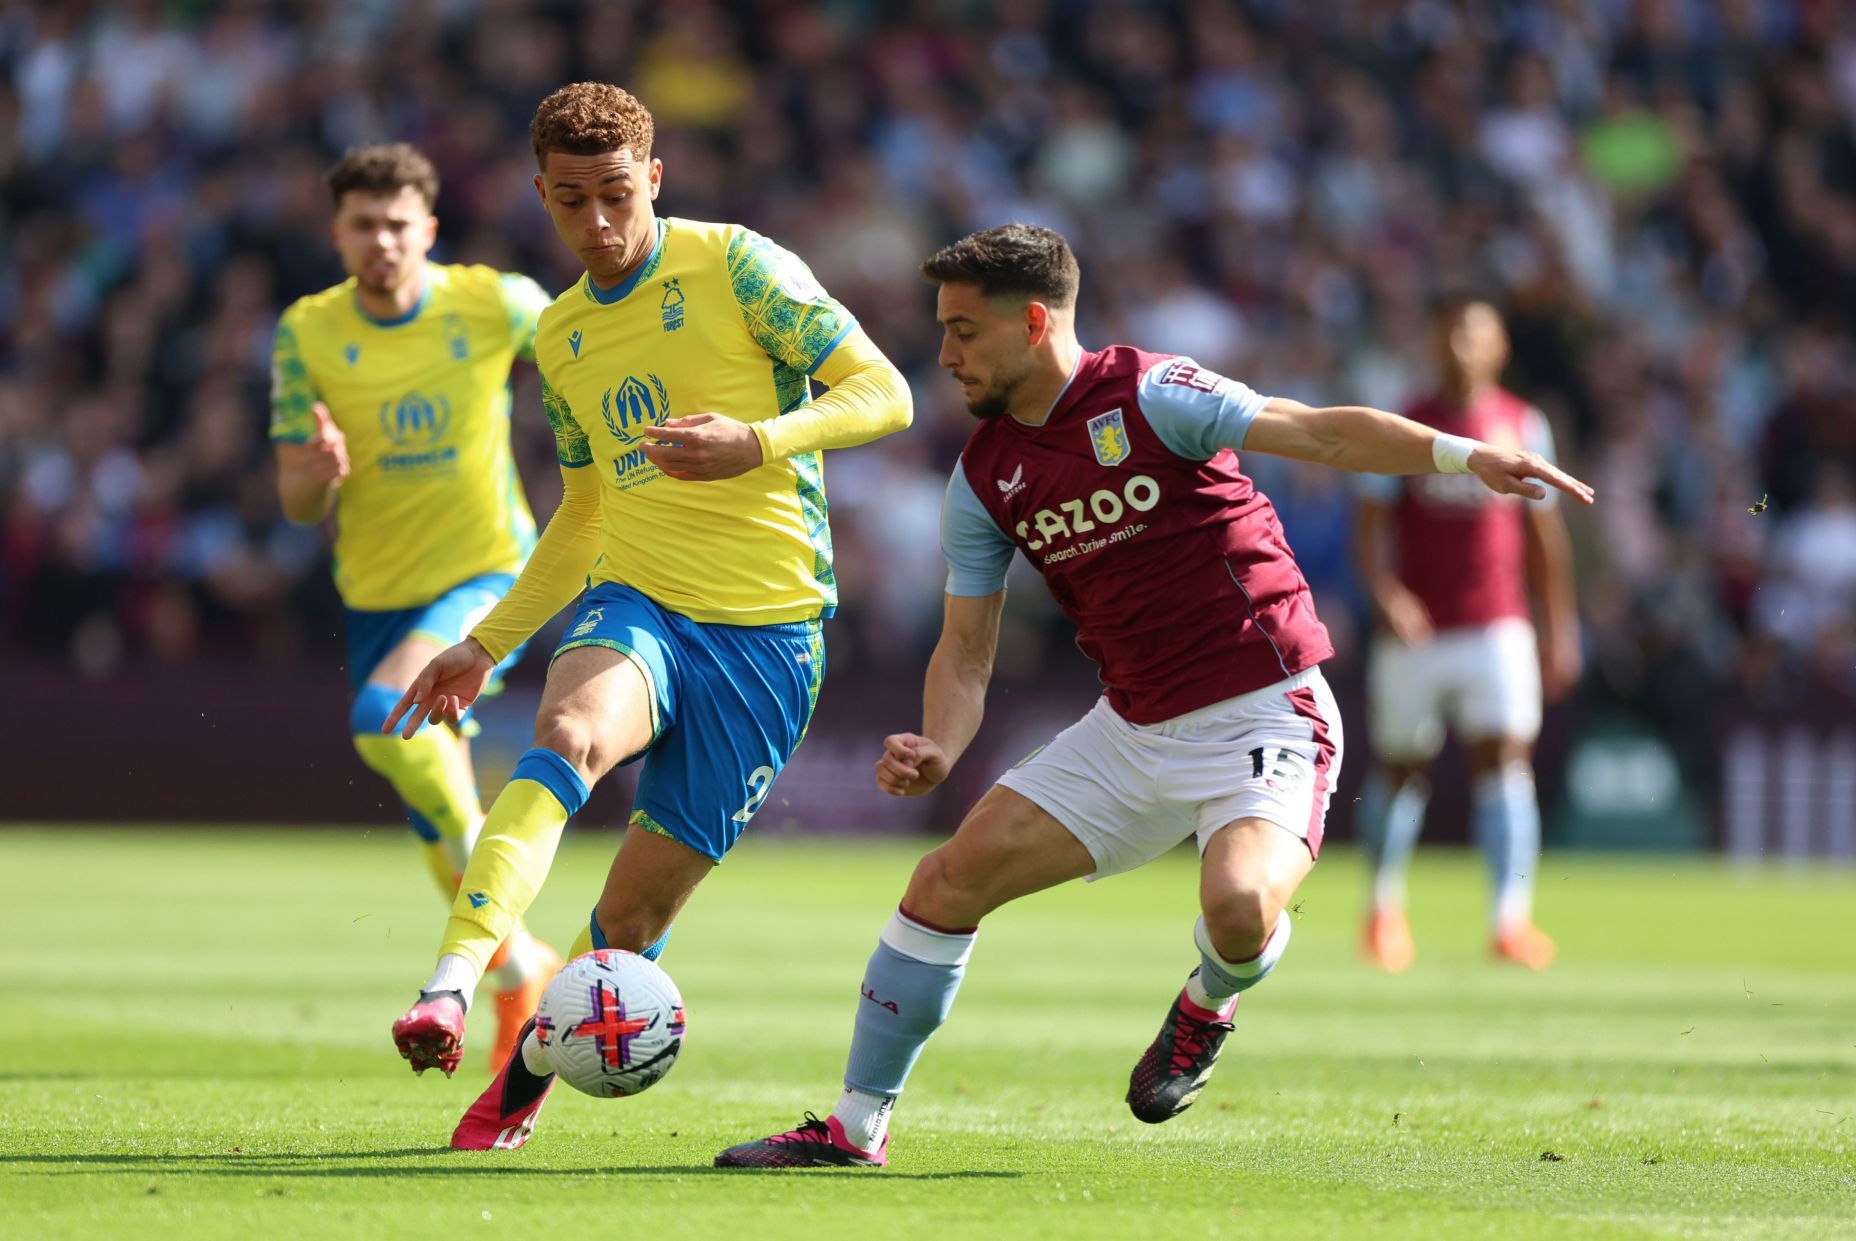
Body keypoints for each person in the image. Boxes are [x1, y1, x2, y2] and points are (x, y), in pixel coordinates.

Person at [714, 224, 1591, 1169]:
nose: (946, 354)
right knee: (941, 884)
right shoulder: (983, 477)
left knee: (1241, 908)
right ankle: (853, 1128)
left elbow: (1321, 429)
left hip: (1267, 710)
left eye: (965, 330)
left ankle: (1209, 1000)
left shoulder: (1153, 392)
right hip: (1129, 731)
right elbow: (967, 650)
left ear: (1035, 321)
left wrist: (1464, 458)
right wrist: (940, 743)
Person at [383, 82, 913, 1150]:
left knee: (630, 926)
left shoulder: (737, 265)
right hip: (641, 601)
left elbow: (885, 391)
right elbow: (583, 511)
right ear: (542, 195)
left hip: (769, 639)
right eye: (572, 201)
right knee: (567, 733)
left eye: (617, 194)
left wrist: (761, 440)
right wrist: (487, 642)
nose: (599, 222)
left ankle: (525, 1074)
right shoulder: (562, 335)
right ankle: (447, 983)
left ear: (654, 179)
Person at [269, 143, 559, 1072]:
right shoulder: (305, 333)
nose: (382, 241)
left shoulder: (493, 301)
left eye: (399, 224)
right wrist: (315, 479)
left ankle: (473, 970)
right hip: (376, 595)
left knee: (383, 722)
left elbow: (585, 351)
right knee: (436, 809)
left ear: (428, 230)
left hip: (488, 571)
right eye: (364, 224)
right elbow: (296, 502)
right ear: (338, 233)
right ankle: (518, 963)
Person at [1352, 298, 1581, 972]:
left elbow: (1546, 536)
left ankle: (1510, 920)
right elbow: (1368, 527)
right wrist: (1387, 595)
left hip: (1497, 625)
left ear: (1499, 346)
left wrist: (1559, 627)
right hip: (1419, 630)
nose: (1460, 342)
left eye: (1474, 332)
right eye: (1449, 329)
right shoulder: (1404, 420)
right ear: (1431, 338)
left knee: (1505, 761)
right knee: (1401, 766)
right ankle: (1382, 909)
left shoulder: (1522, 422)